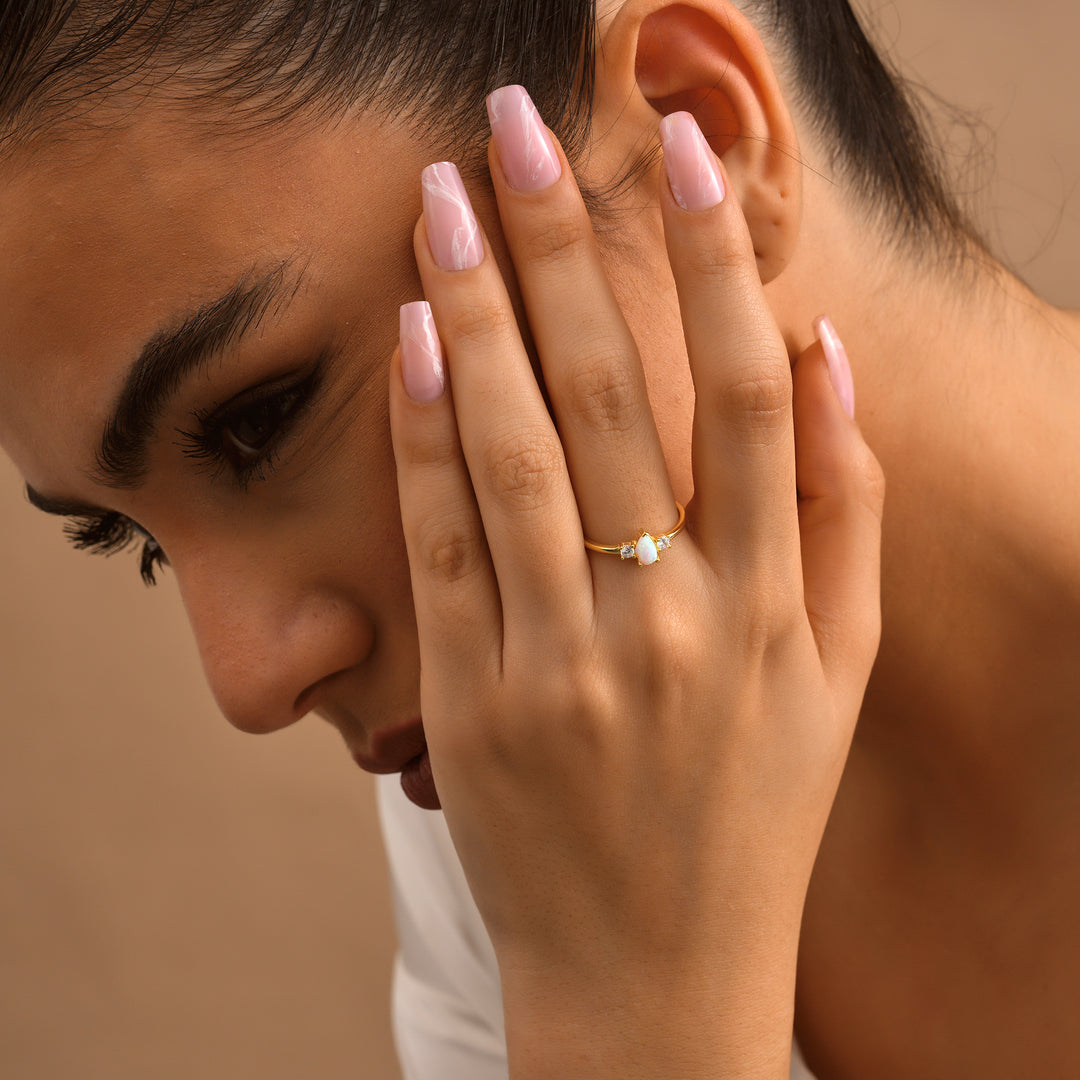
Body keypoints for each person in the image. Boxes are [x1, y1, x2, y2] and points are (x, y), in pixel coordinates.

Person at [0, 3, 1076, 1079]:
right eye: (135, 541)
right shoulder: (549, 801)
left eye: (261, 419)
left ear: (692, 124)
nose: (248, 681)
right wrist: (639, 1012)